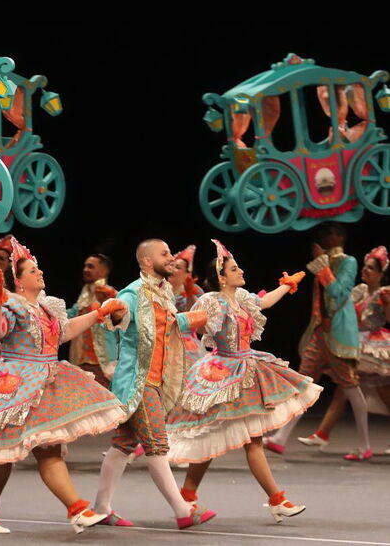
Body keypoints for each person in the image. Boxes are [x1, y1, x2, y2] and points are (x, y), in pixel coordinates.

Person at [0, 236, 127, 535]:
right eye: (33, 270)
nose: (40, 273)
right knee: (13, 451)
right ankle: (76, 509)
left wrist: (98, 314)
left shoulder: (46, 307)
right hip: (16, 385)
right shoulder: (10, 303)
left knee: (27, 451)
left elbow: (65, 332)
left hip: (44, 379)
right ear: (19, 280)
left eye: (38, 269)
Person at [166, 240, 319, 522]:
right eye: (235, 269)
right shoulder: (213, 301)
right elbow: (193, 321)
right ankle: (277, 499)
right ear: (222, 277)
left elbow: (266, 301)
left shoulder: (243, 298)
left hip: (247, 368)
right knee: (230, 438)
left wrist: (287, 284)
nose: (241, 271)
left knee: (235, 439)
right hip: (223, 373)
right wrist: (172, 318)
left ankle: (189, 496)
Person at [92, 239, 217, 529]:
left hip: (157, 380)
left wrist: (203, 316)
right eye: (164, 254)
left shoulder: (162, 293)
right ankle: (183, 510)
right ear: (147, 262)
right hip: (139, 382)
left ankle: (100, 507)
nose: (170, 257)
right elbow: (117, 315)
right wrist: (117, 310)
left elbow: (171, 324)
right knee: (157, 446)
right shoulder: (134, 293)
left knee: (123, 444)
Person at [264, 223, 372, 459]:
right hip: (319, 332)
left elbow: (337, 292)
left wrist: (322, 265)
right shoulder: (324, 263)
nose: (328, 237)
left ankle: (364, 446)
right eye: (324, 234)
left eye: (332, 233)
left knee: (352, 389)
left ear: (341, 236)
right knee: (303, 383)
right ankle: (280, 437)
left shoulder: (348, 262)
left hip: (338, 334)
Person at [295, 245, 390, 454]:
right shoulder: (360, 291)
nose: (365, 271)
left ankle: (333, 437)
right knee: (344, 391)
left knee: (383, 394)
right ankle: (323, 434)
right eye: (364, 267)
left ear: (381, 274)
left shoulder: (384, 293)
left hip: (374, 346)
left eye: (371, 269)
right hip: (355, 342)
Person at [67, 253, 119, 386]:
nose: (85, 270)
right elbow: (67, 317)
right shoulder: (82, 299)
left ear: (103, 271)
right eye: (85, 266)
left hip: (103, 365)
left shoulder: (113, 296)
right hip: (79, 363)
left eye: (90, 267)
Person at [169, 244, 206, 364]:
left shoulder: (195, 290)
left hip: (186, 343)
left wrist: (190, 294)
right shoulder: (158, 288)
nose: (172, 269)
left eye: (178, 267)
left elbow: (198, 320)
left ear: (187, 273)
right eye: (171, 266)